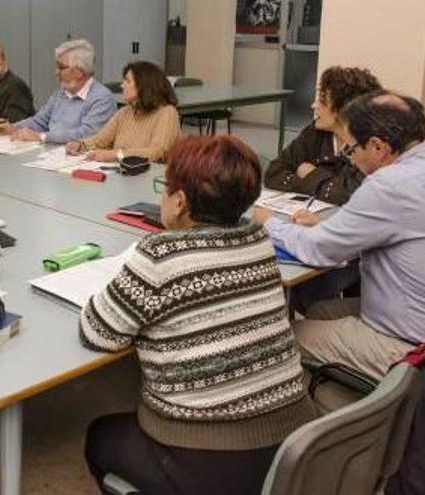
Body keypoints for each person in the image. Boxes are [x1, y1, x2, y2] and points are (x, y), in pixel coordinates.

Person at [82, 135, 316, 495]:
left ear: (178, 202)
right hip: (296, 443)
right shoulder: (257, 237)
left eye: (165, 187)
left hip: (209, 459)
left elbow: (98, 333)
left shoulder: (161, 254)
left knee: (99, 436)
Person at [253, 90, 425, 379]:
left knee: (281, 336)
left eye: (351, 149)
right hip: (408, 318)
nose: (351, 159)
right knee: (320, 310)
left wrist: (269, 222)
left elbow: (318, 250)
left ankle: (322, 417)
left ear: (378, 147)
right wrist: (327, 228)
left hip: (407, 345)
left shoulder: (390, 185)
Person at [265, 66, 382, 205]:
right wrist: (324, 185)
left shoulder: (370, 145)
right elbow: (273, 173)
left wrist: (310, 175)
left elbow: (353, 196)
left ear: (343, 109)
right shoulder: (315, 132)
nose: (314, 105)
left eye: (323, 101)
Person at [0, 39, 115, 144]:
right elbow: (39, 121)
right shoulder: (61, 93)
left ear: (79, 72)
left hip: (79, 160)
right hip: (51, 154)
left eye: (61, 67)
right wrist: (13, 128)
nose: (56, 72)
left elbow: (86, 134)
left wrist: (42, 137)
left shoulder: (102, 98)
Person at [67, 61, 180, 162]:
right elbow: (101, 140)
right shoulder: (125, 112)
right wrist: (81, 145)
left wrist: (116, 155)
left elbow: (157, 152)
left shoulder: (167, 113)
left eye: (127, 81)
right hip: (123, 174)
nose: (122, 85)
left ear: (143, 86)